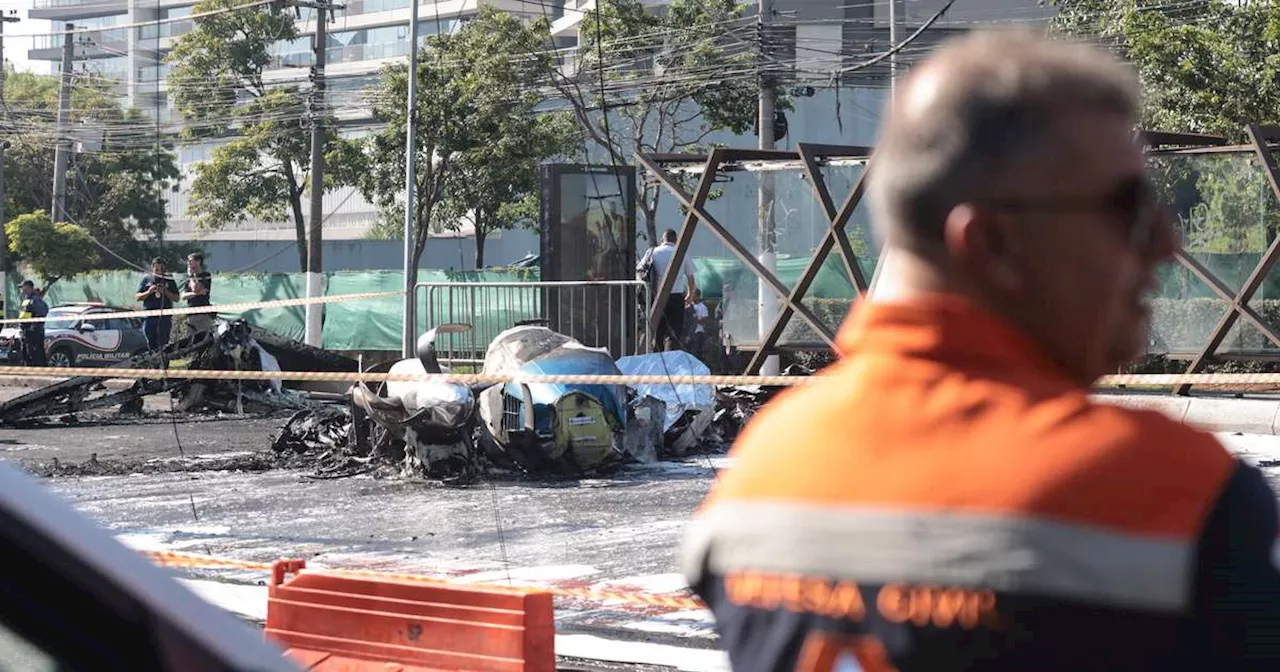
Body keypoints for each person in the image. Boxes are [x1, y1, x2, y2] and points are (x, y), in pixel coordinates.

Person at [681, 30, 1280, 670]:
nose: (1167, 241)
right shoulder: (1173, 492)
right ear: (992, 243)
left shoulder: (762, 468)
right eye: (1129, 208)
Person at [637, 229, 697, 351]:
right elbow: (691, 278)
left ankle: (657, 360)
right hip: (676, 298)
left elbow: (640, 271)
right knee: (673, 333)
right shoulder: (681, 253)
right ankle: (670, 357)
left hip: (657, 297)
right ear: (676, 240)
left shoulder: (652, 252)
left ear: (662, 240)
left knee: (657, 331)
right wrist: (690, 296)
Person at [135, 257, 179, 352]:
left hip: (164, 316)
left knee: (163, 343)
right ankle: (151, 362)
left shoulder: (169, 279)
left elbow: (177, 298)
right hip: (149, 316)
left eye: (161, 269)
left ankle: (162, 363)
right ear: (152, 268)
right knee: (149, 341)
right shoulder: (146, 279)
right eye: (157, 269)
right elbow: (138, 297)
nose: (159, 272)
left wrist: (166, 292)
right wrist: (148, 292)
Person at [180, 252, 213, 334]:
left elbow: (195, 288)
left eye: (191, 261)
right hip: (191, 314)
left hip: (202, 314)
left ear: (198, 262)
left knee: (204, 338)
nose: (188, 263)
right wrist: (196, 294)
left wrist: (192, 276)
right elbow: (183, 296)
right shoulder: (188, 278)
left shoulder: (205, 275)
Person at [17, 280, 47, 367]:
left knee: (36, 354)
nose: (22, 290)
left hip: (34, 333)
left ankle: (40, 374)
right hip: (26, 333)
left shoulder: (35, 300)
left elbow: (42, 313)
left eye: (23, 287)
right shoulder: (27, 300)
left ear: (29, 287)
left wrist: (33, 326)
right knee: (26, 354)